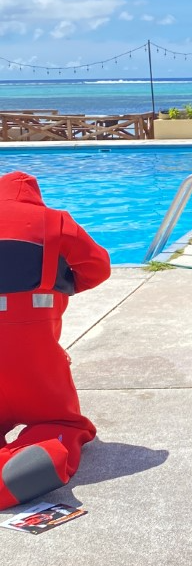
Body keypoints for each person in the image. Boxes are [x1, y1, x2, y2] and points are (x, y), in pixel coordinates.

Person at [0, 171, 111, 510]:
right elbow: (98, 267)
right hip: (36, 364)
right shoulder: (54, 220)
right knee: (58, 422)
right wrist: (64, 282)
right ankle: (42, 451)